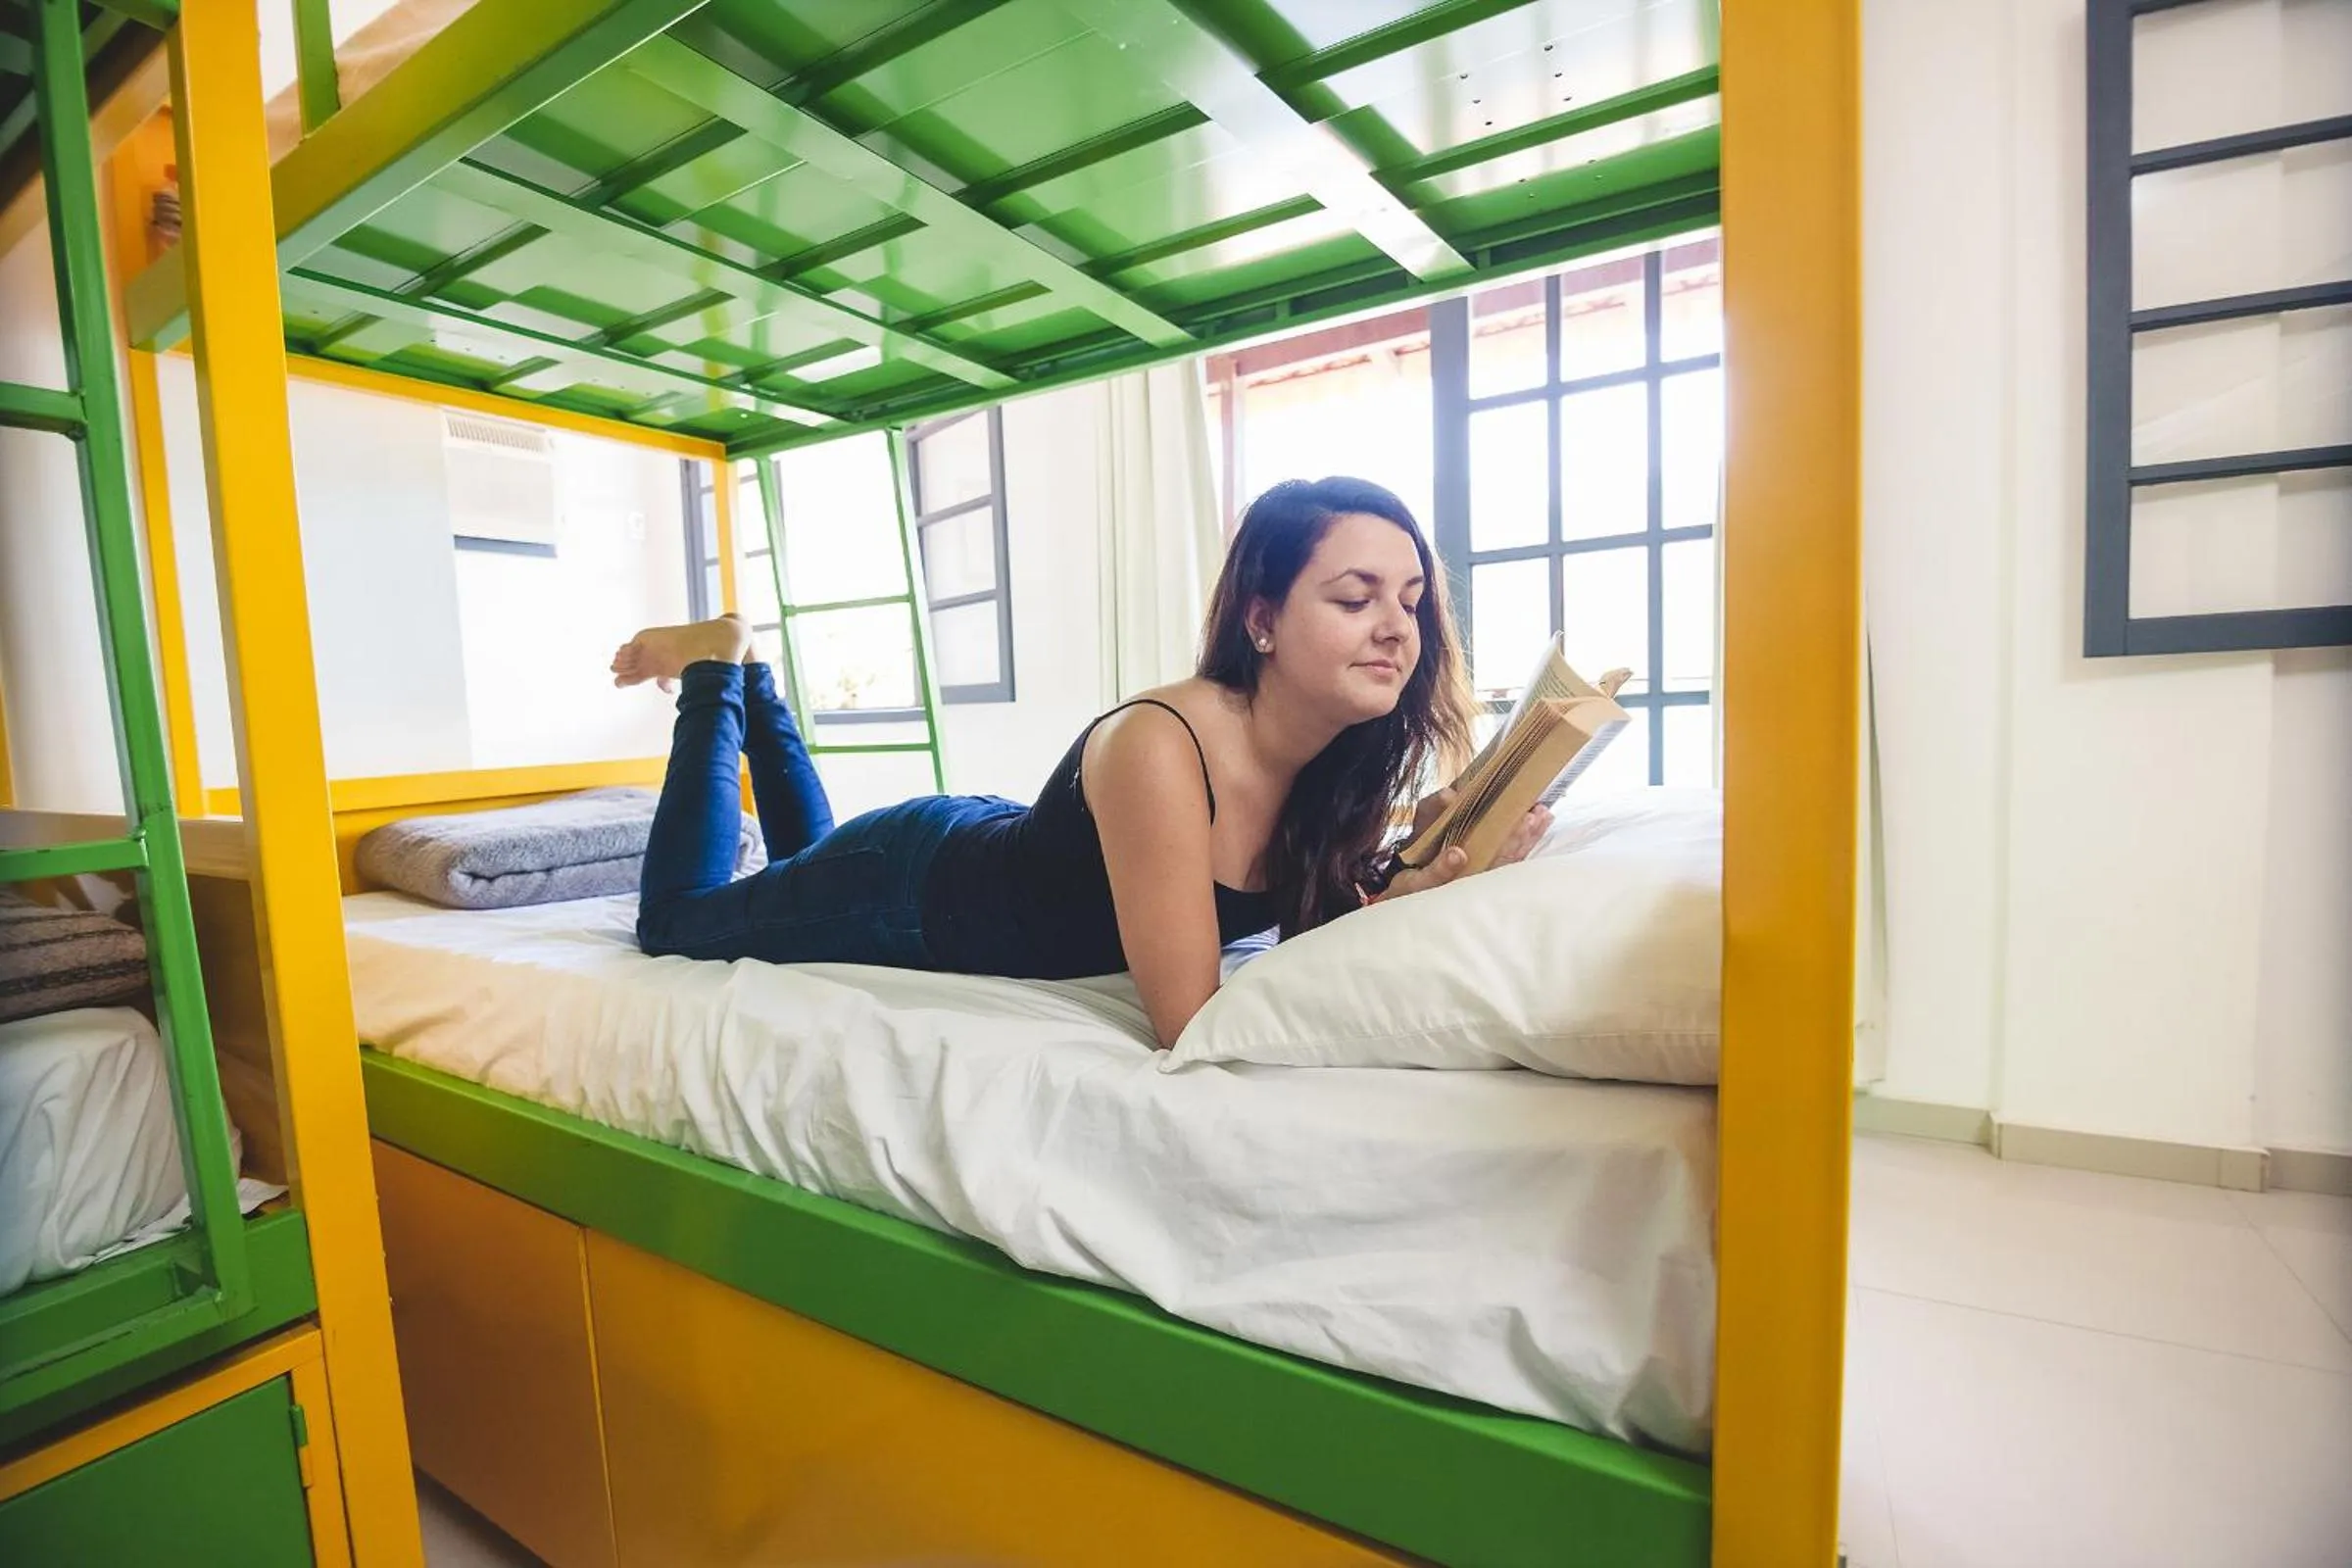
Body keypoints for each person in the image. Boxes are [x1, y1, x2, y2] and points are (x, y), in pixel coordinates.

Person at [612, 476, 1551, 1049]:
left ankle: (757, 679)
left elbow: (1301, 946)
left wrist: (1409, 884)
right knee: (676, 924)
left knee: (788, 874)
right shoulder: (1162, 744)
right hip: (912, 887)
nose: (1399, 626)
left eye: (1413, 599)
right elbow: (1192, 1022)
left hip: (984, 840)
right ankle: (715, 665)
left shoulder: (1338, 759)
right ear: (1261, 620)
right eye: (1356, 599)